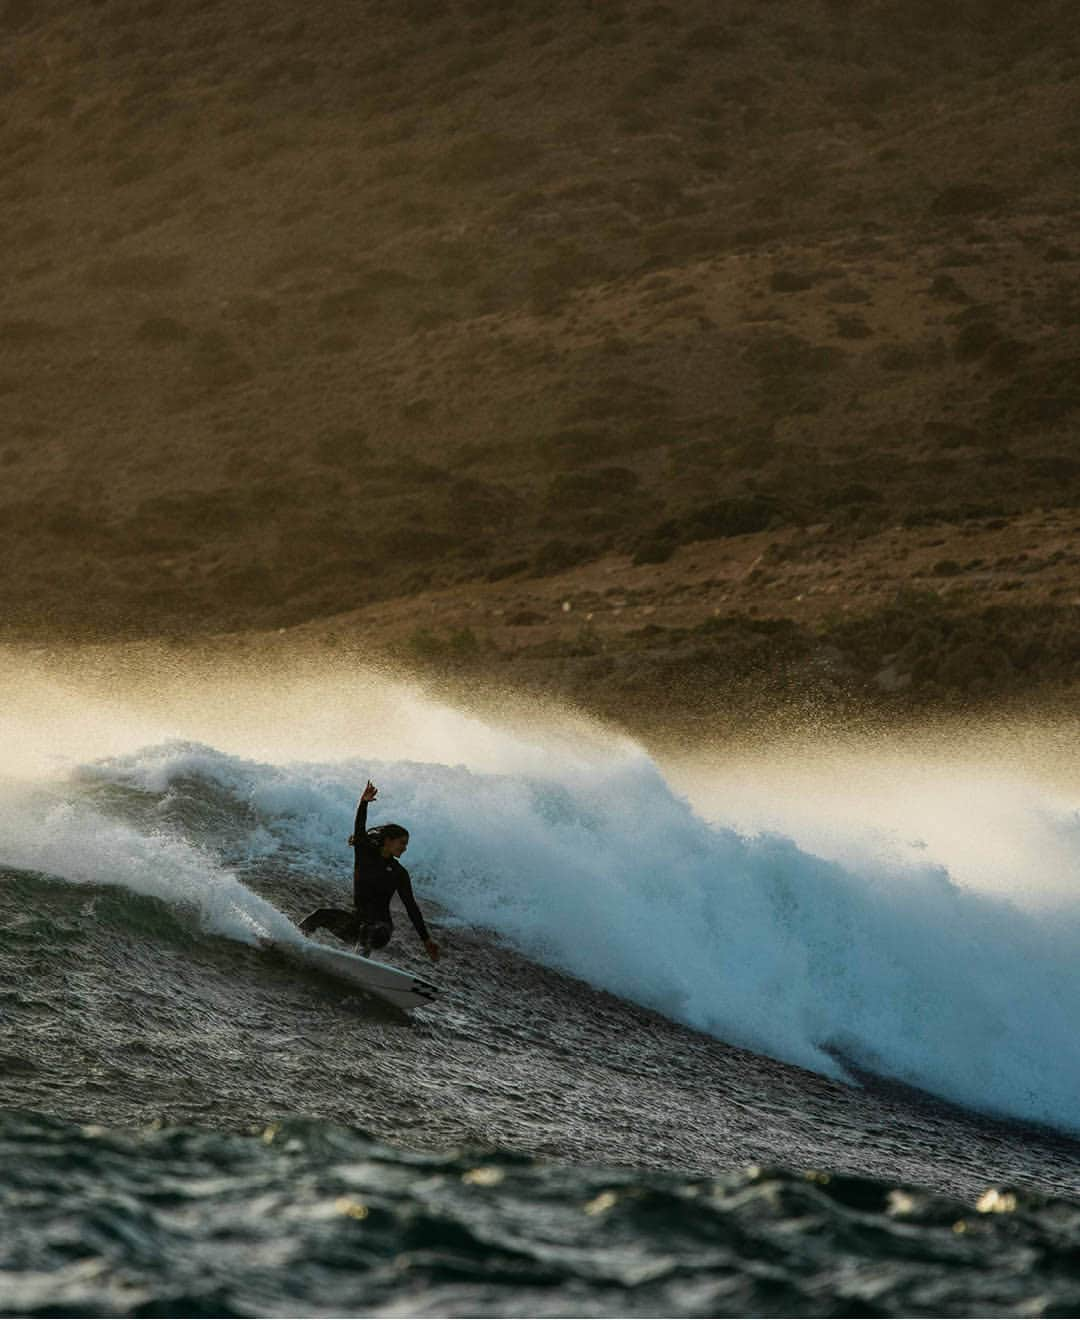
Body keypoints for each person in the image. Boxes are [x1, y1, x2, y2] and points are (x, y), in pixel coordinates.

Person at [299, 780, 440, 962]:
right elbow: (359, 829)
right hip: (355, 923)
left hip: (381, 930)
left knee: (369, 929)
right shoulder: (365, 853)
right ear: (388, 840)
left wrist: (426, 940)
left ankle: (358, 964)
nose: (405, 848)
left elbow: (411, 907)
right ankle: (291, 939)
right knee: (321, 915)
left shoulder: (399, 873)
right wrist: (363, 802)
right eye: (402, 843)